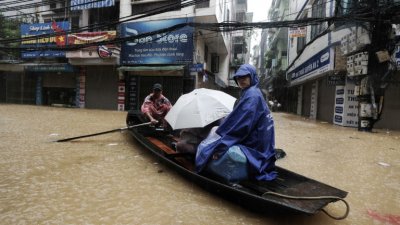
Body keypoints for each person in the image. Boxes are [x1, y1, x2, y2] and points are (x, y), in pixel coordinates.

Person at [195, 64, 277, 181]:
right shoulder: (253, 92)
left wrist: (220, 147)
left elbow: (241, 127)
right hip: (263, 146)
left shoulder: (252, 96)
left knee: (209, 149)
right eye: (238, 78)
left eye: (244, 77)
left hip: (255, 146)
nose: (241, 80)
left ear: (252, 77)